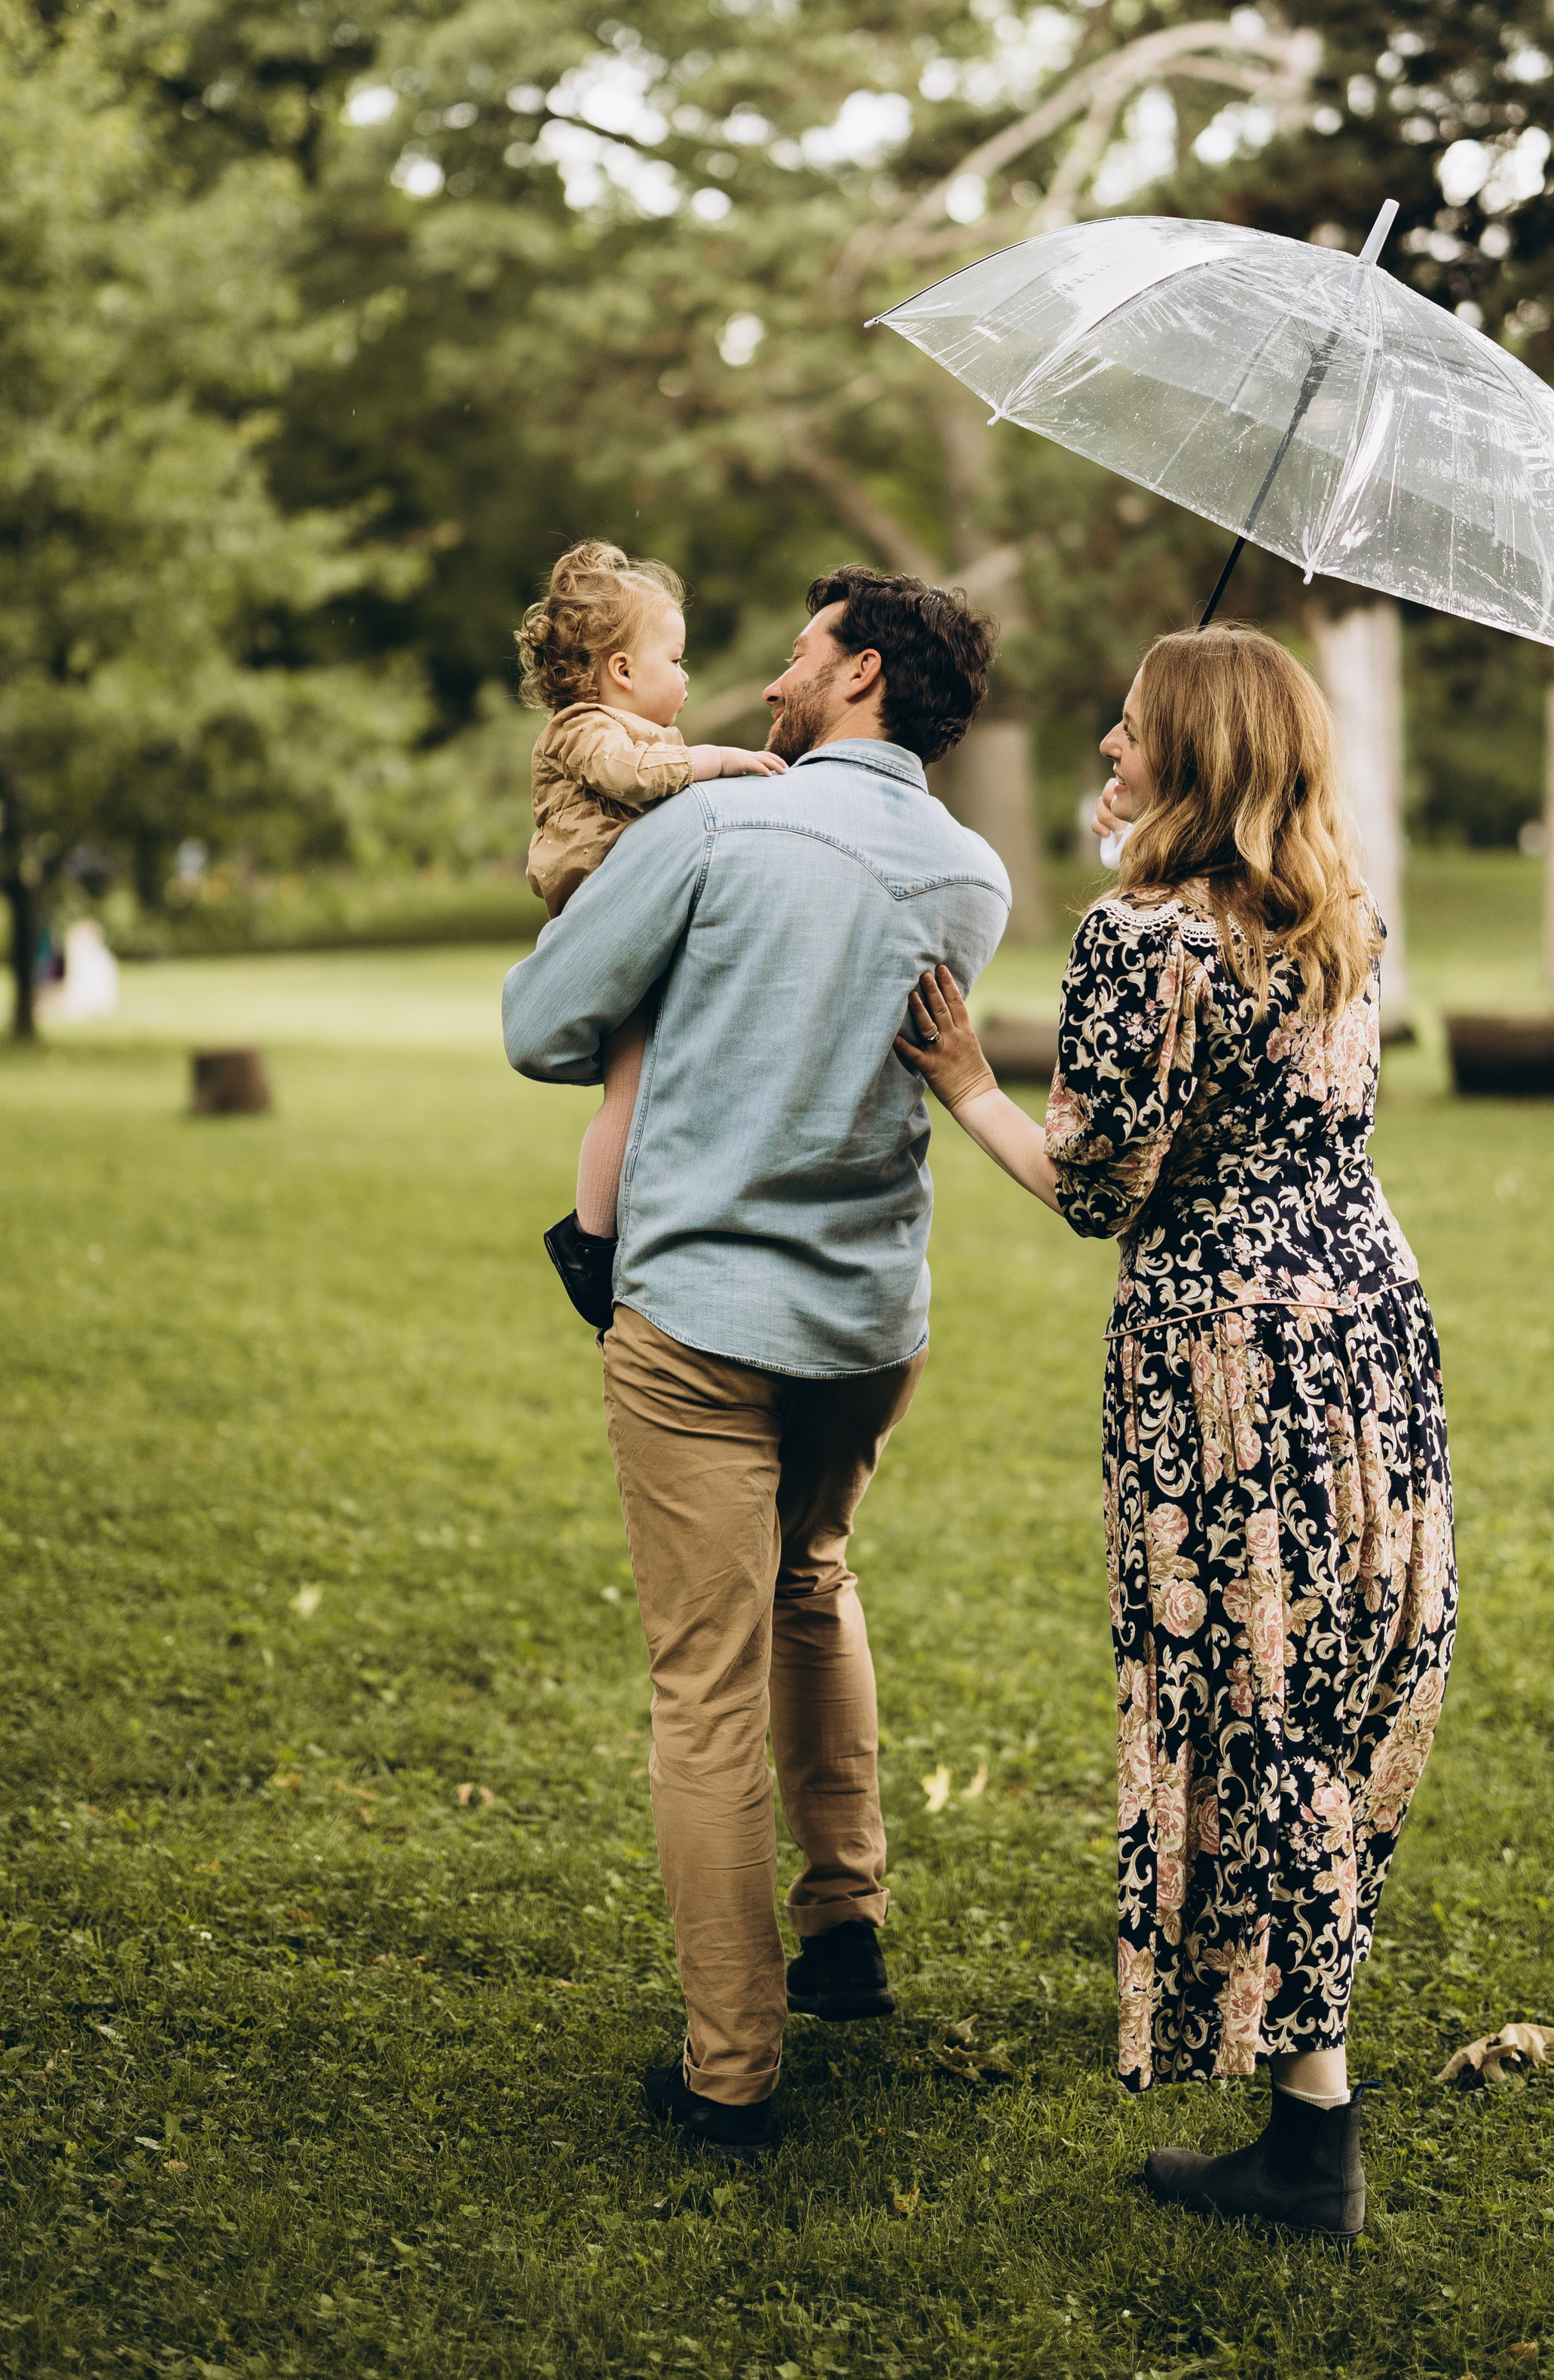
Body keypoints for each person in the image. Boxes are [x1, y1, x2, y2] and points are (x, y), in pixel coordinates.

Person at [897, 625, 1455, 2244]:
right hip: (1370, 1336)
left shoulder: (1142, 936)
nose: (1104, 754)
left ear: (1197, 759)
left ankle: (1310, 2143)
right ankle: (1306, 2117)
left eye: (1132, 732)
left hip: (1229, 1367)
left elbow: (1096, 1183)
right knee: (1326, 1703)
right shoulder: (1342, 923)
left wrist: (963, 1079)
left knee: (1251, 1706)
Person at [503, 566, 1009, 2163]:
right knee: (813, 1579)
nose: (765, 677)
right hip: (867, 1329)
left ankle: (730, 2067)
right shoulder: (973, 872)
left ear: (857, 673)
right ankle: (842, 1927)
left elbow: (541, 1020)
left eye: (796, 652)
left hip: (703, 1328)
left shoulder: (710, 828)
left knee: (701, 1689)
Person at [515, 541, 786, 1332]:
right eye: (676, 657)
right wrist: (720, 759)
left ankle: (654, 1218)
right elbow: (635, 781)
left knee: (659, 1083)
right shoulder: (584, 730)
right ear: (623, 670)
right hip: (605, 911)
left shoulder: (637, 736)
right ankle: (592, 1244)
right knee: (628, 1092)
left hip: (639, 910)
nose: (687, 674)